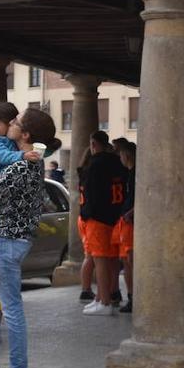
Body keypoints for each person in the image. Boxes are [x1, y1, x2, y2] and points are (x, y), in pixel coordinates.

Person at [0, 108, 61, 368]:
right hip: (9, 241)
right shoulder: (29, 162)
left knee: (10, 310)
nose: (9, 124)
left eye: (16, 123)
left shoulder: (23, 166)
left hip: (7, 242)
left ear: (25, 135)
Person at [79, 130, 127, 316]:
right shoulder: (117, 162)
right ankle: (103, 296)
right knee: (112, 260)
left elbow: (91, 193)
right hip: (115, 216)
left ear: (93, 144)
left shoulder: (95, 165)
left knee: (99, 260)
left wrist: (86, 214)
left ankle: (104, 301)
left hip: (98, 219)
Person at [113, 142, 135, 313]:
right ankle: (131, 296)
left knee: (129, 260)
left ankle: (133, 297)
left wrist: (130, 212)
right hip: (126, 220)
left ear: (126, 156)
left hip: (130, 221)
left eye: (120, 154)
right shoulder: (129, 173)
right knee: (126, 260)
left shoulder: (134, 173)